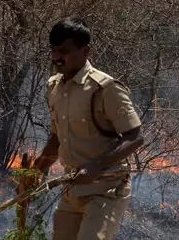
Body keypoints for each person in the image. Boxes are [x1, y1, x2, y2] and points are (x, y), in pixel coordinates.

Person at [30, 17, 144, 240]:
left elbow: (136, 136)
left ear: (85, 51)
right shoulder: (53, 87)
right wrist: (35, 173)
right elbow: (56, 138)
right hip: (72, 191)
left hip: (106, 190)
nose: (56, 58)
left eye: (63, 51)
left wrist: (95, 166)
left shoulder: (105, 88)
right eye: (53, 50)